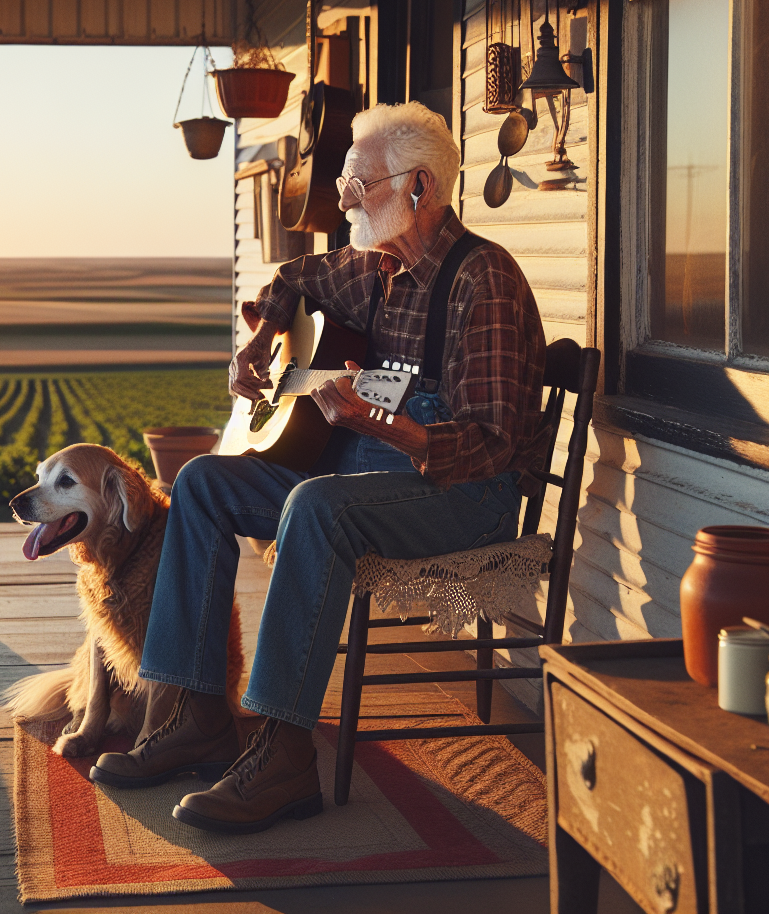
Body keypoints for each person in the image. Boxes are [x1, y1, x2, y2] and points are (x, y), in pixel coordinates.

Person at [90, 101, 547, 834]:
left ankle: (283, 750)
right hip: (363, 476)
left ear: (420, 187)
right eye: (343, 182)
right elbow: (293, 274)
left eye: (358, 185)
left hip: (460, 493)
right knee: (204, 482)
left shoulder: (482, 281)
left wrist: (387, 429)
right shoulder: (373, 265)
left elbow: (492, 443)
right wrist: (263, 335)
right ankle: (196, 712)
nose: (341, 200)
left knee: (316, 505)